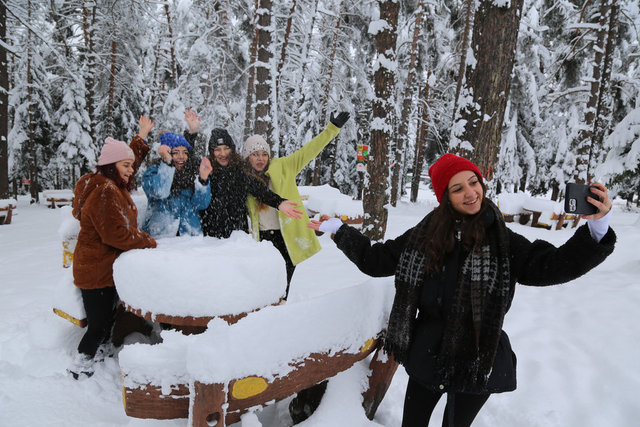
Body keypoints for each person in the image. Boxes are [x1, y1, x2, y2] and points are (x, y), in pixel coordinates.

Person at [308, 153, 616, 426]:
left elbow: (551, 265)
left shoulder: (502, 240)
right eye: (457, 188)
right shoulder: (424, 236)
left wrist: (597, 229)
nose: (470, 193)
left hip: (478, 357)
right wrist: (339, 230)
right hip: (427, 354)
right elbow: (376, 260)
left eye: (473, 182)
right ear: (445, 197)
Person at [69, 129, 157, 379]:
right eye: (125, 166)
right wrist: (146, 241)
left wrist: (139, 141)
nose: (130, 170)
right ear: (111, 166)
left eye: (131, 165)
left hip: (99, 268)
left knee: (106, 318)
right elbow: (115, 234)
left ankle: (100, 351)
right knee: (98, 325)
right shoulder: (106, 191)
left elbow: (124, 160)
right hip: (96, 272)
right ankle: (80, 366)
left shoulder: (105, 183)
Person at [243, 112, 350, 294]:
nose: (261, 158)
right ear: (247, 157)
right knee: (263, 287)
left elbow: (310, 150)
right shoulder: (244, 179)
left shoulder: (285, 166)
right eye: (255, 154)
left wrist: (332, 129)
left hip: (286, 237)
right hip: (261, 239)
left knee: (284, 287)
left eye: (264, 154)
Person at [199, 127, 303, 239]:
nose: (223, 153)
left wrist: (279, 202)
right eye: (217, 149)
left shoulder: (239, 172)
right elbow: (198, 199)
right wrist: (203, 179)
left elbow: (260, 190)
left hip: (237, 238)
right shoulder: (205, 171)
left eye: (226, 148)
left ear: (232, 150)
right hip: (211, 238)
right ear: (212, 152)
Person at [141, 126, 213, 237]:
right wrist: (168, 163)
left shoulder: (192, 174)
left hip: (190, 239)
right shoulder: (153, 172)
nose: (181, 156)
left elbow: (201, 204)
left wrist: (203, 179)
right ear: (167, 153)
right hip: (161, 239)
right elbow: (160, 191)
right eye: (175, 152)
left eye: (185, 152)